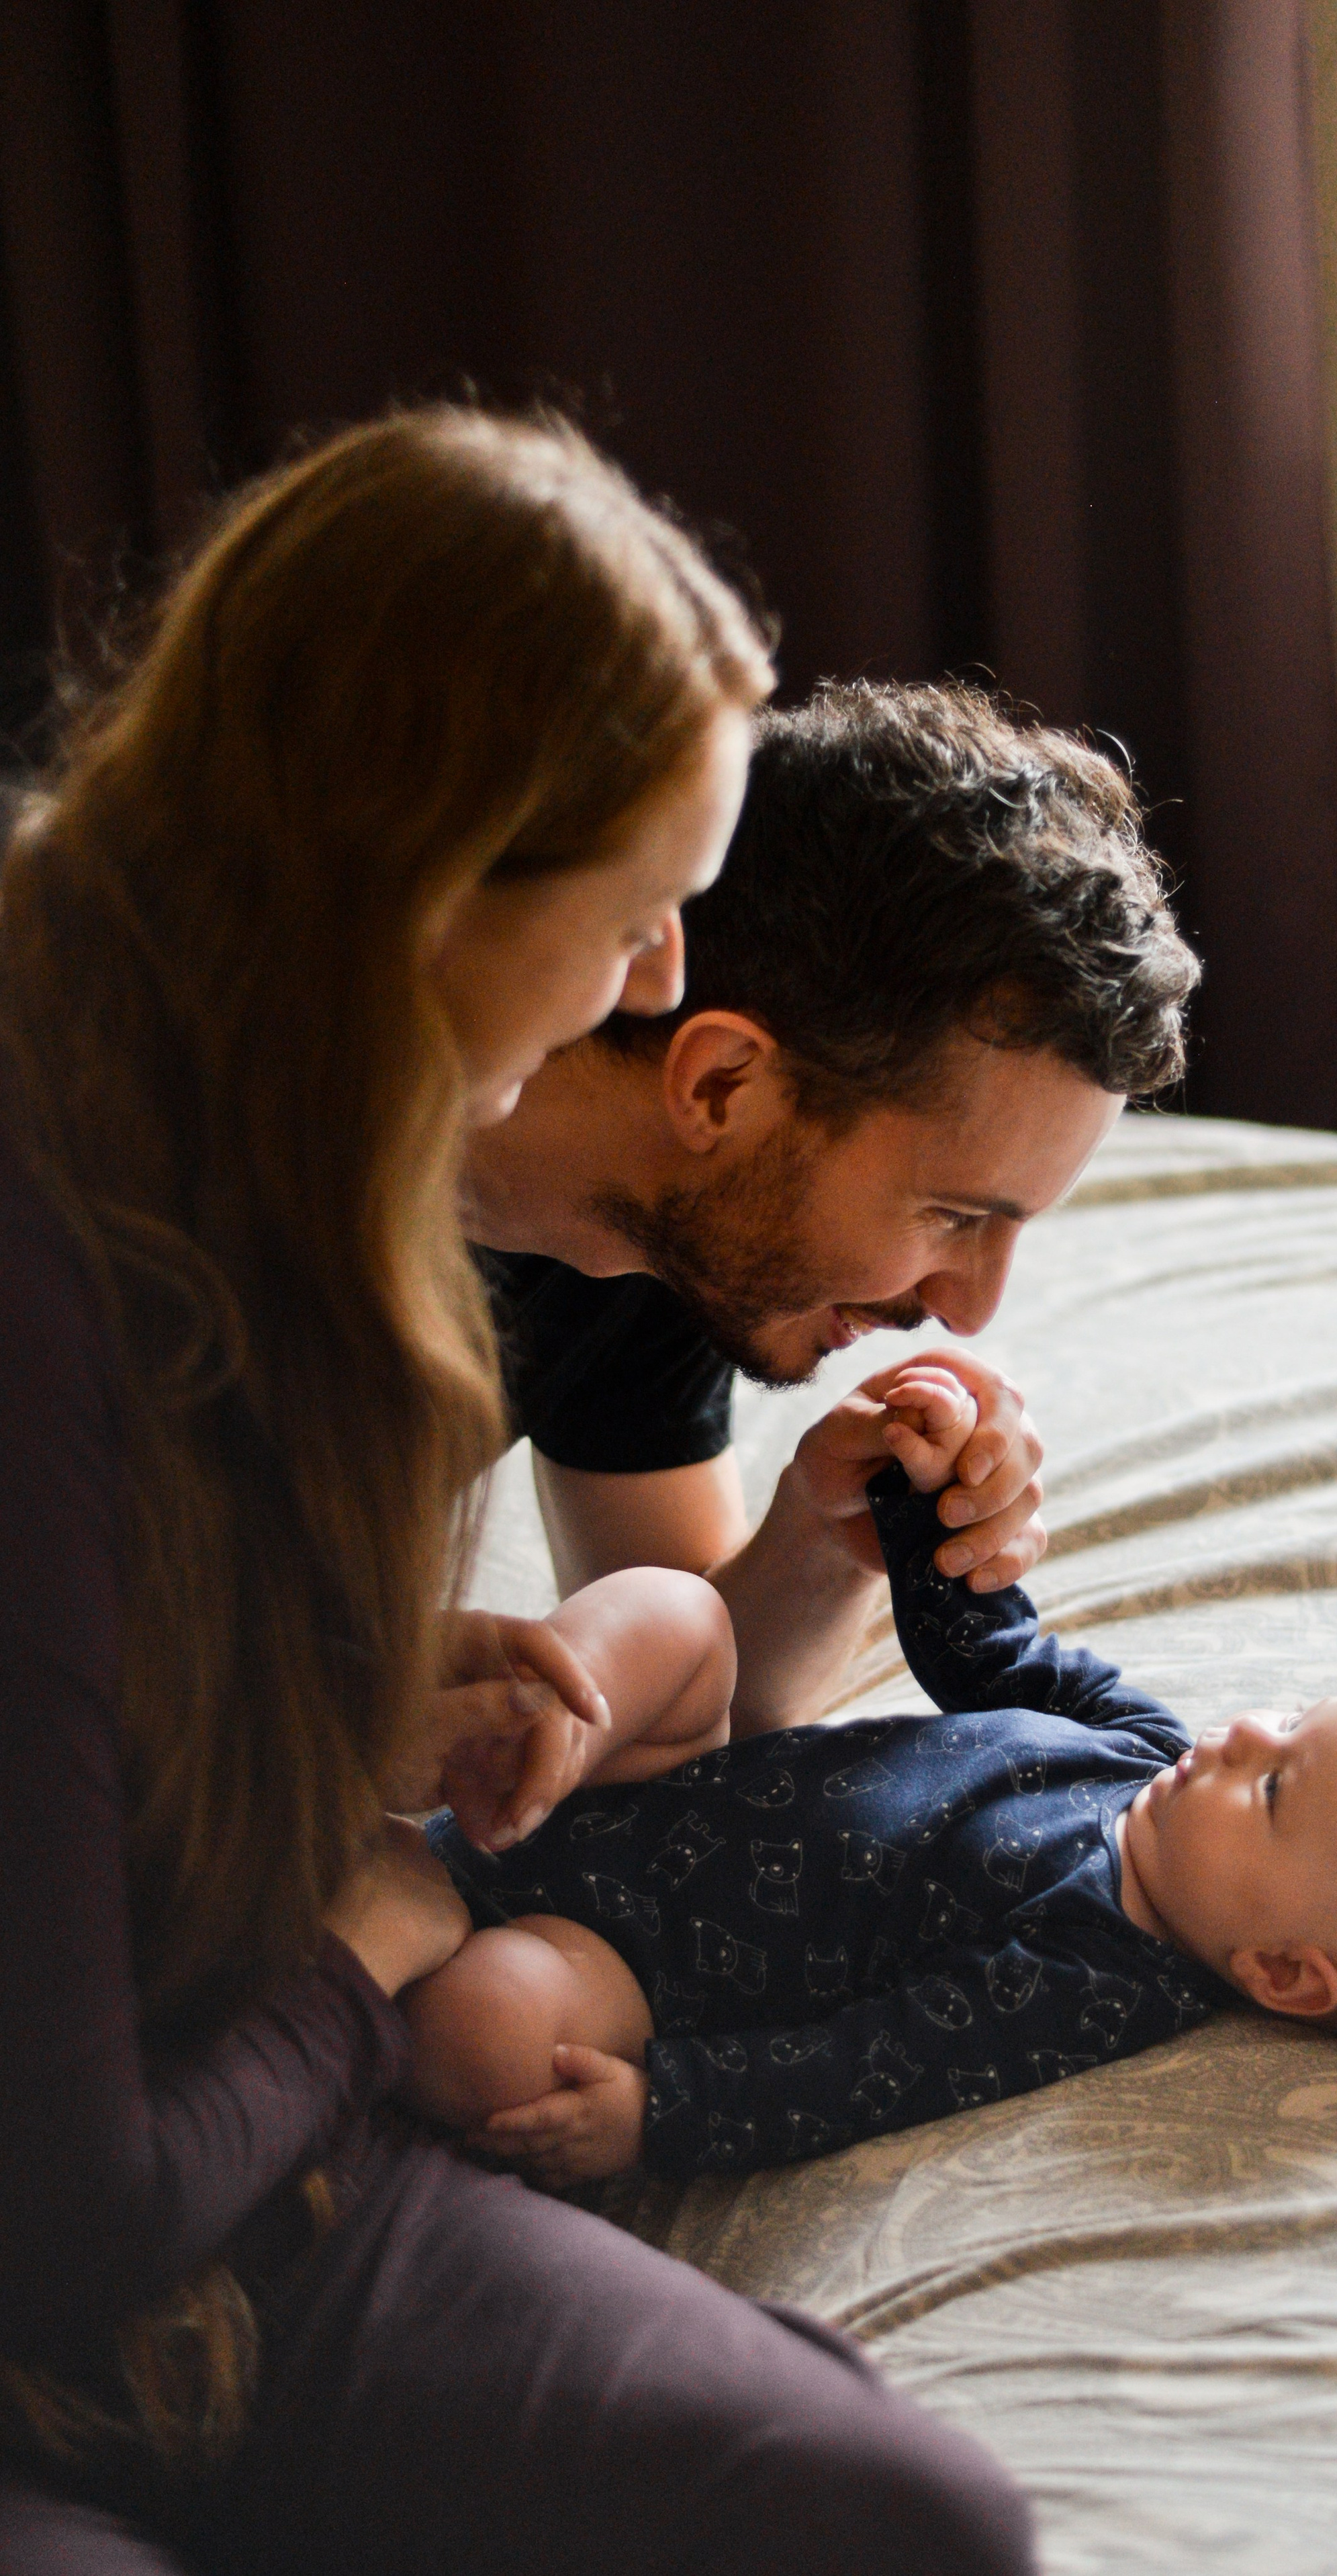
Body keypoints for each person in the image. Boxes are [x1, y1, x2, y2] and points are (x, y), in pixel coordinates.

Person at [0, 410, 1035, 2576]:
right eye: (642, 910)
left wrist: (329, 1707)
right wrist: (374, 1922)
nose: (661, 987)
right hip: (98, 2209)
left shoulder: (342, 1177)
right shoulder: (64, 1257)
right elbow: (65, 2210)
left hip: (223, 2147)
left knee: (899, 2519)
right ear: (428, 876)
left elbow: (668, 1684)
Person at [404, 1366, 1337, 2185]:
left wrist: (668, 2113)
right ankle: (542, 1722)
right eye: (1289, 1719)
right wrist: (925, 1502)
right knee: (678, 1611)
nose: (1239, 1739)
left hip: (636, 1960)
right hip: (661, 1781)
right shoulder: (1147, 1750)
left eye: (1275, 1789)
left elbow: (881, 2064)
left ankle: (422, 1896)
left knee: (488, 2037)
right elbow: (994, 1654)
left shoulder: (1096, 1978)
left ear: (1281, 1971)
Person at [462, 679, 1201, 1757]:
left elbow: (683, 1711)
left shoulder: (665, 1236)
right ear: (722, 1084)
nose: (971, 1309)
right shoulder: (227, 1210)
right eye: (954, 1214)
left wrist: (827, 1535)